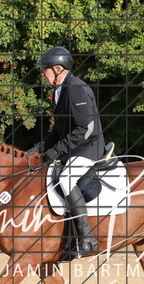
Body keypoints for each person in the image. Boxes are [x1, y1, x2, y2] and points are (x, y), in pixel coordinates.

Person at [27, 46, 105, 256]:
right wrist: (39, 148)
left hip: (88, 148)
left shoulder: (76, 88)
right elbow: (59, 131)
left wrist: (57, 151)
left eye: (45, 69)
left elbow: (85, 128)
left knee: (66, 179)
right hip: (74, 148)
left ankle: (87, 238)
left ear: (58, 69)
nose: (43, 74)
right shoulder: (59, 92)